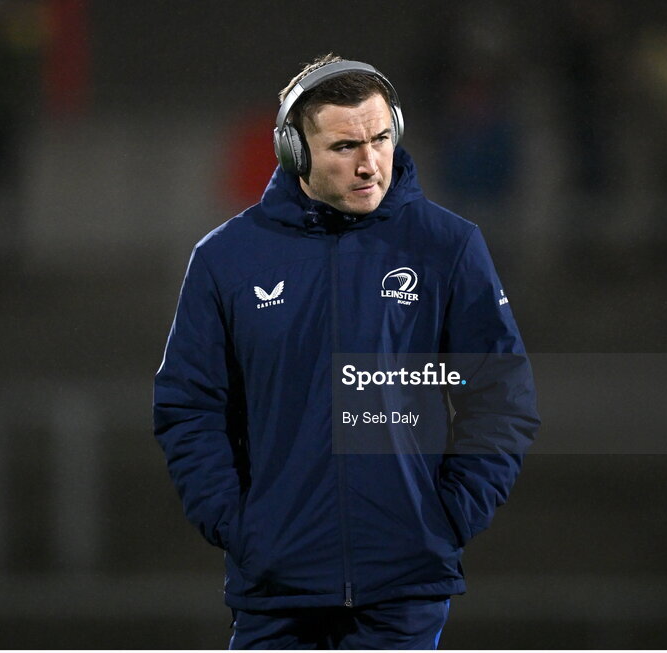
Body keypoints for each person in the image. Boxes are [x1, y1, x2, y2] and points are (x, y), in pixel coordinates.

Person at [153, 54, 539, 649]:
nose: (369, 164)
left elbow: (502, 395)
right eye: (343, 147)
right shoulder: (225, 259)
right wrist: (239, 526)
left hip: (405, 592)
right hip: (275, 590)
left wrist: (448, 517)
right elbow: (188, 405)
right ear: (295, 153)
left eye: (381, 139)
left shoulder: (448, 247)